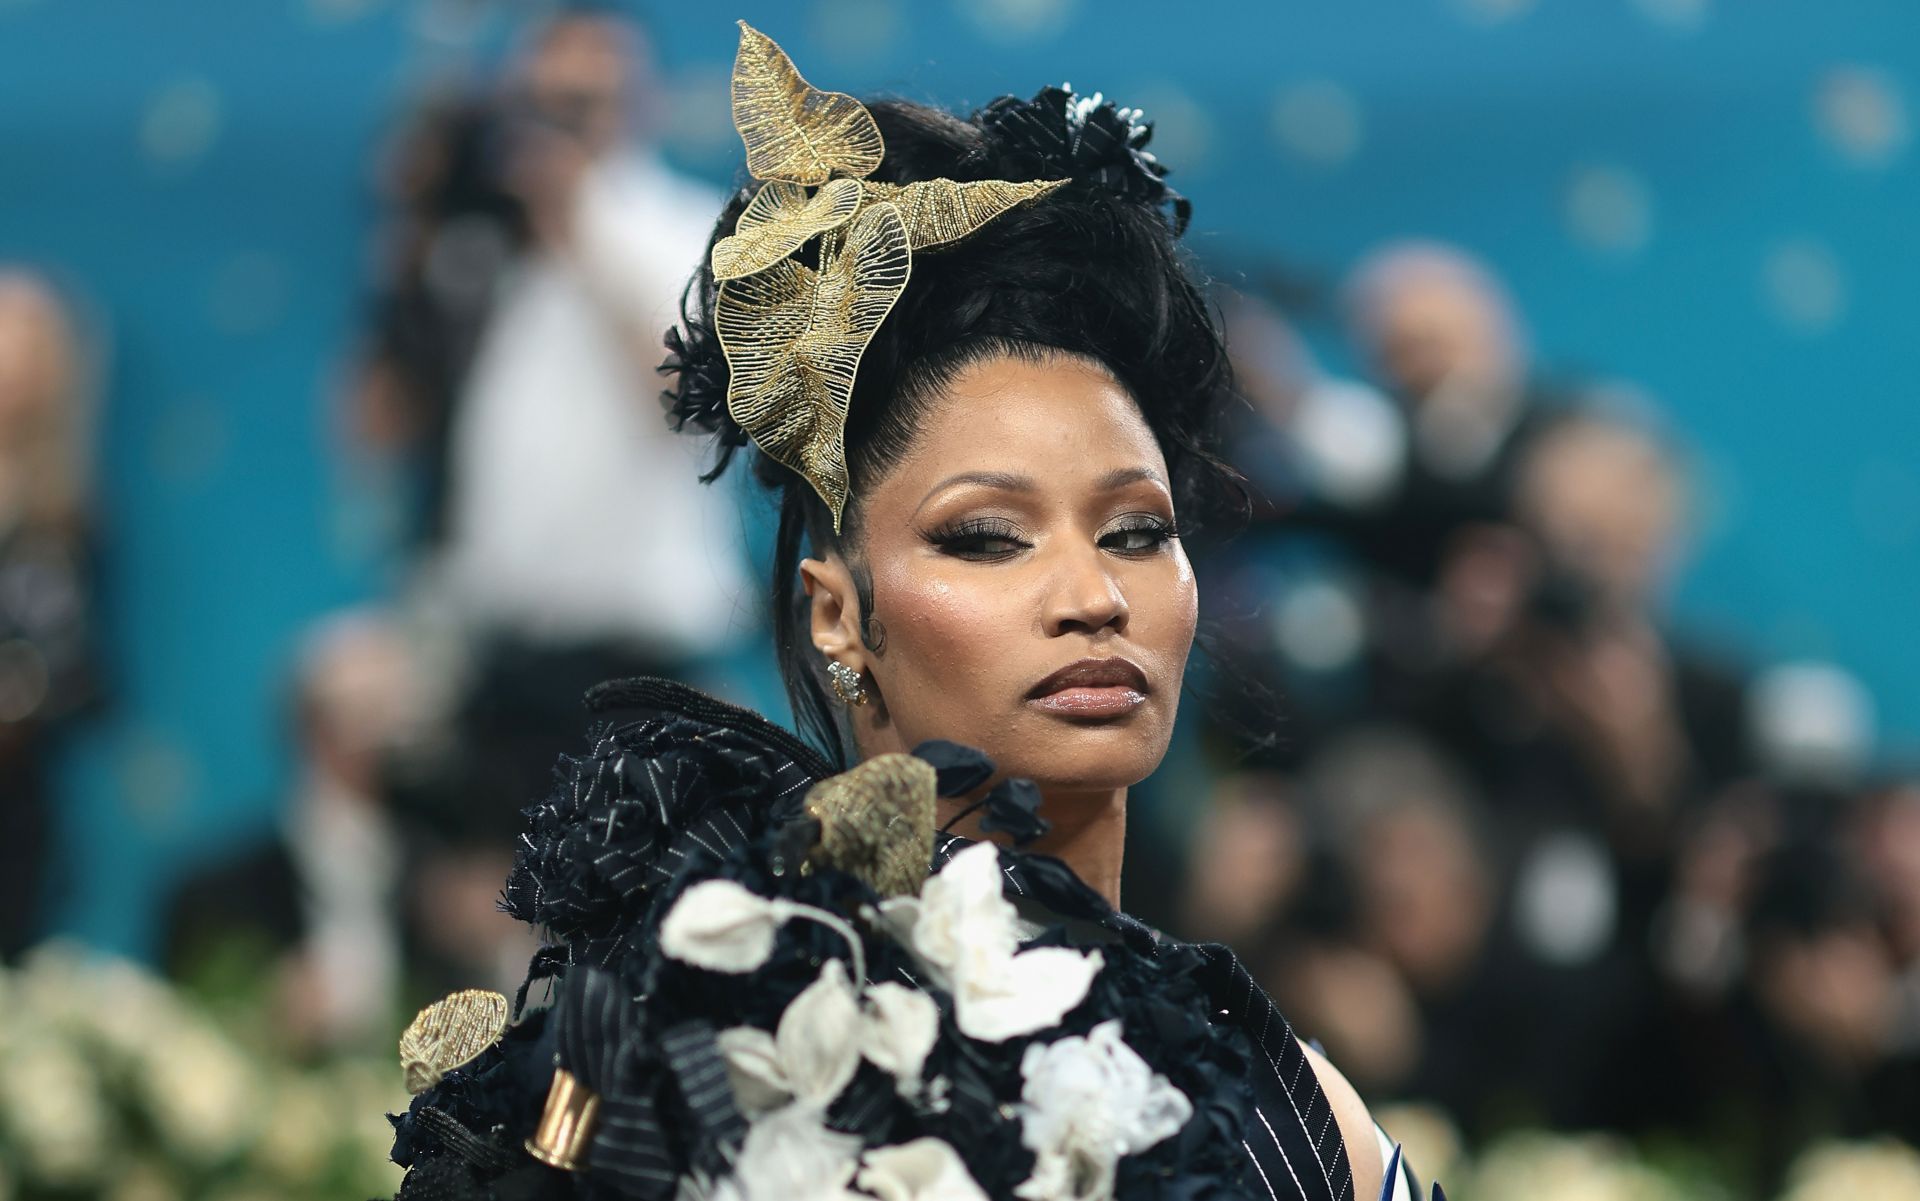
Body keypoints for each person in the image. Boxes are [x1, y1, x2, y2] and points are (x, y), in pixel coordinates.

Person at [385, 24, 1427, 1201]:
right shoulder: (680, 1048)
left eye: (1137, 532)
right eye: (985, 537)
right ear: (834, 613)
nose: (1092, 597)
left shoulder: (1293, 1095)